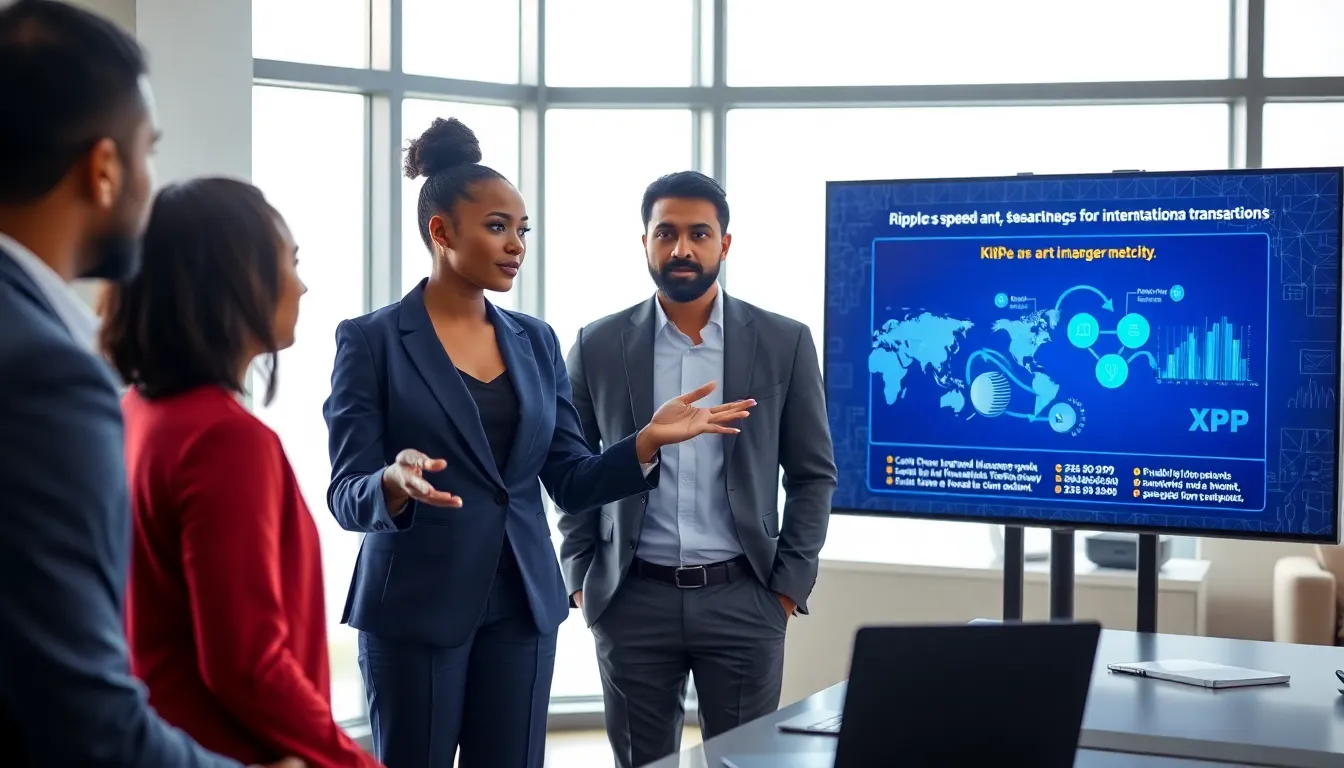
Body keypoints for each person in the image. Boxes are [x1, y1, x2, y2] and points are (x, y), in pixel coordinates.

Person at [322, 118, 754, 768]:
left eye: (522, 229)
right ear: (441, 231)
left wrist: (644, 442)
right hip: (415, 609)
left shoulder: (536, 340)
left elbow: (571, 479)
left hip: (522, 608)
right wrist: (390, 483)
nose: (516, 244)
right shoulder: (372, 342)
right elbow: (345, 492)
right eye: (497, 226)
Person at [0, 2, 298, 766]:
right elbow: (80, 712)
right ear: (103, 170)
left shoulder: (118, 395)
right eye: (148, 152)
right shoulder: (46, 373)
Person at [557, 170, 838, 767]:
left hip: (745, 598)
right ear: (645, 242)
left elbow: (813, 475)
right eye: (666, 233)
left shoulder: (783, 342)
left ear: (724, 244)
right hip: (632, 600)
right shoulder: (598, 344)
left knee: (743, 764)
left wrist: (787, 587)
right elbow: (572, 472)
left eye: (698, 233)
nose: (681, 248)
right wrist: (581, 577)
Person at [100, 177, 382, 768]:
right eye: (291, 262)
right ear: (236, 278)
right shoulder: (224, 440)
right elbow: (246, 665)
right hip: (233, 749)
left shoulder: (136, 413)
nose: (302, 286)